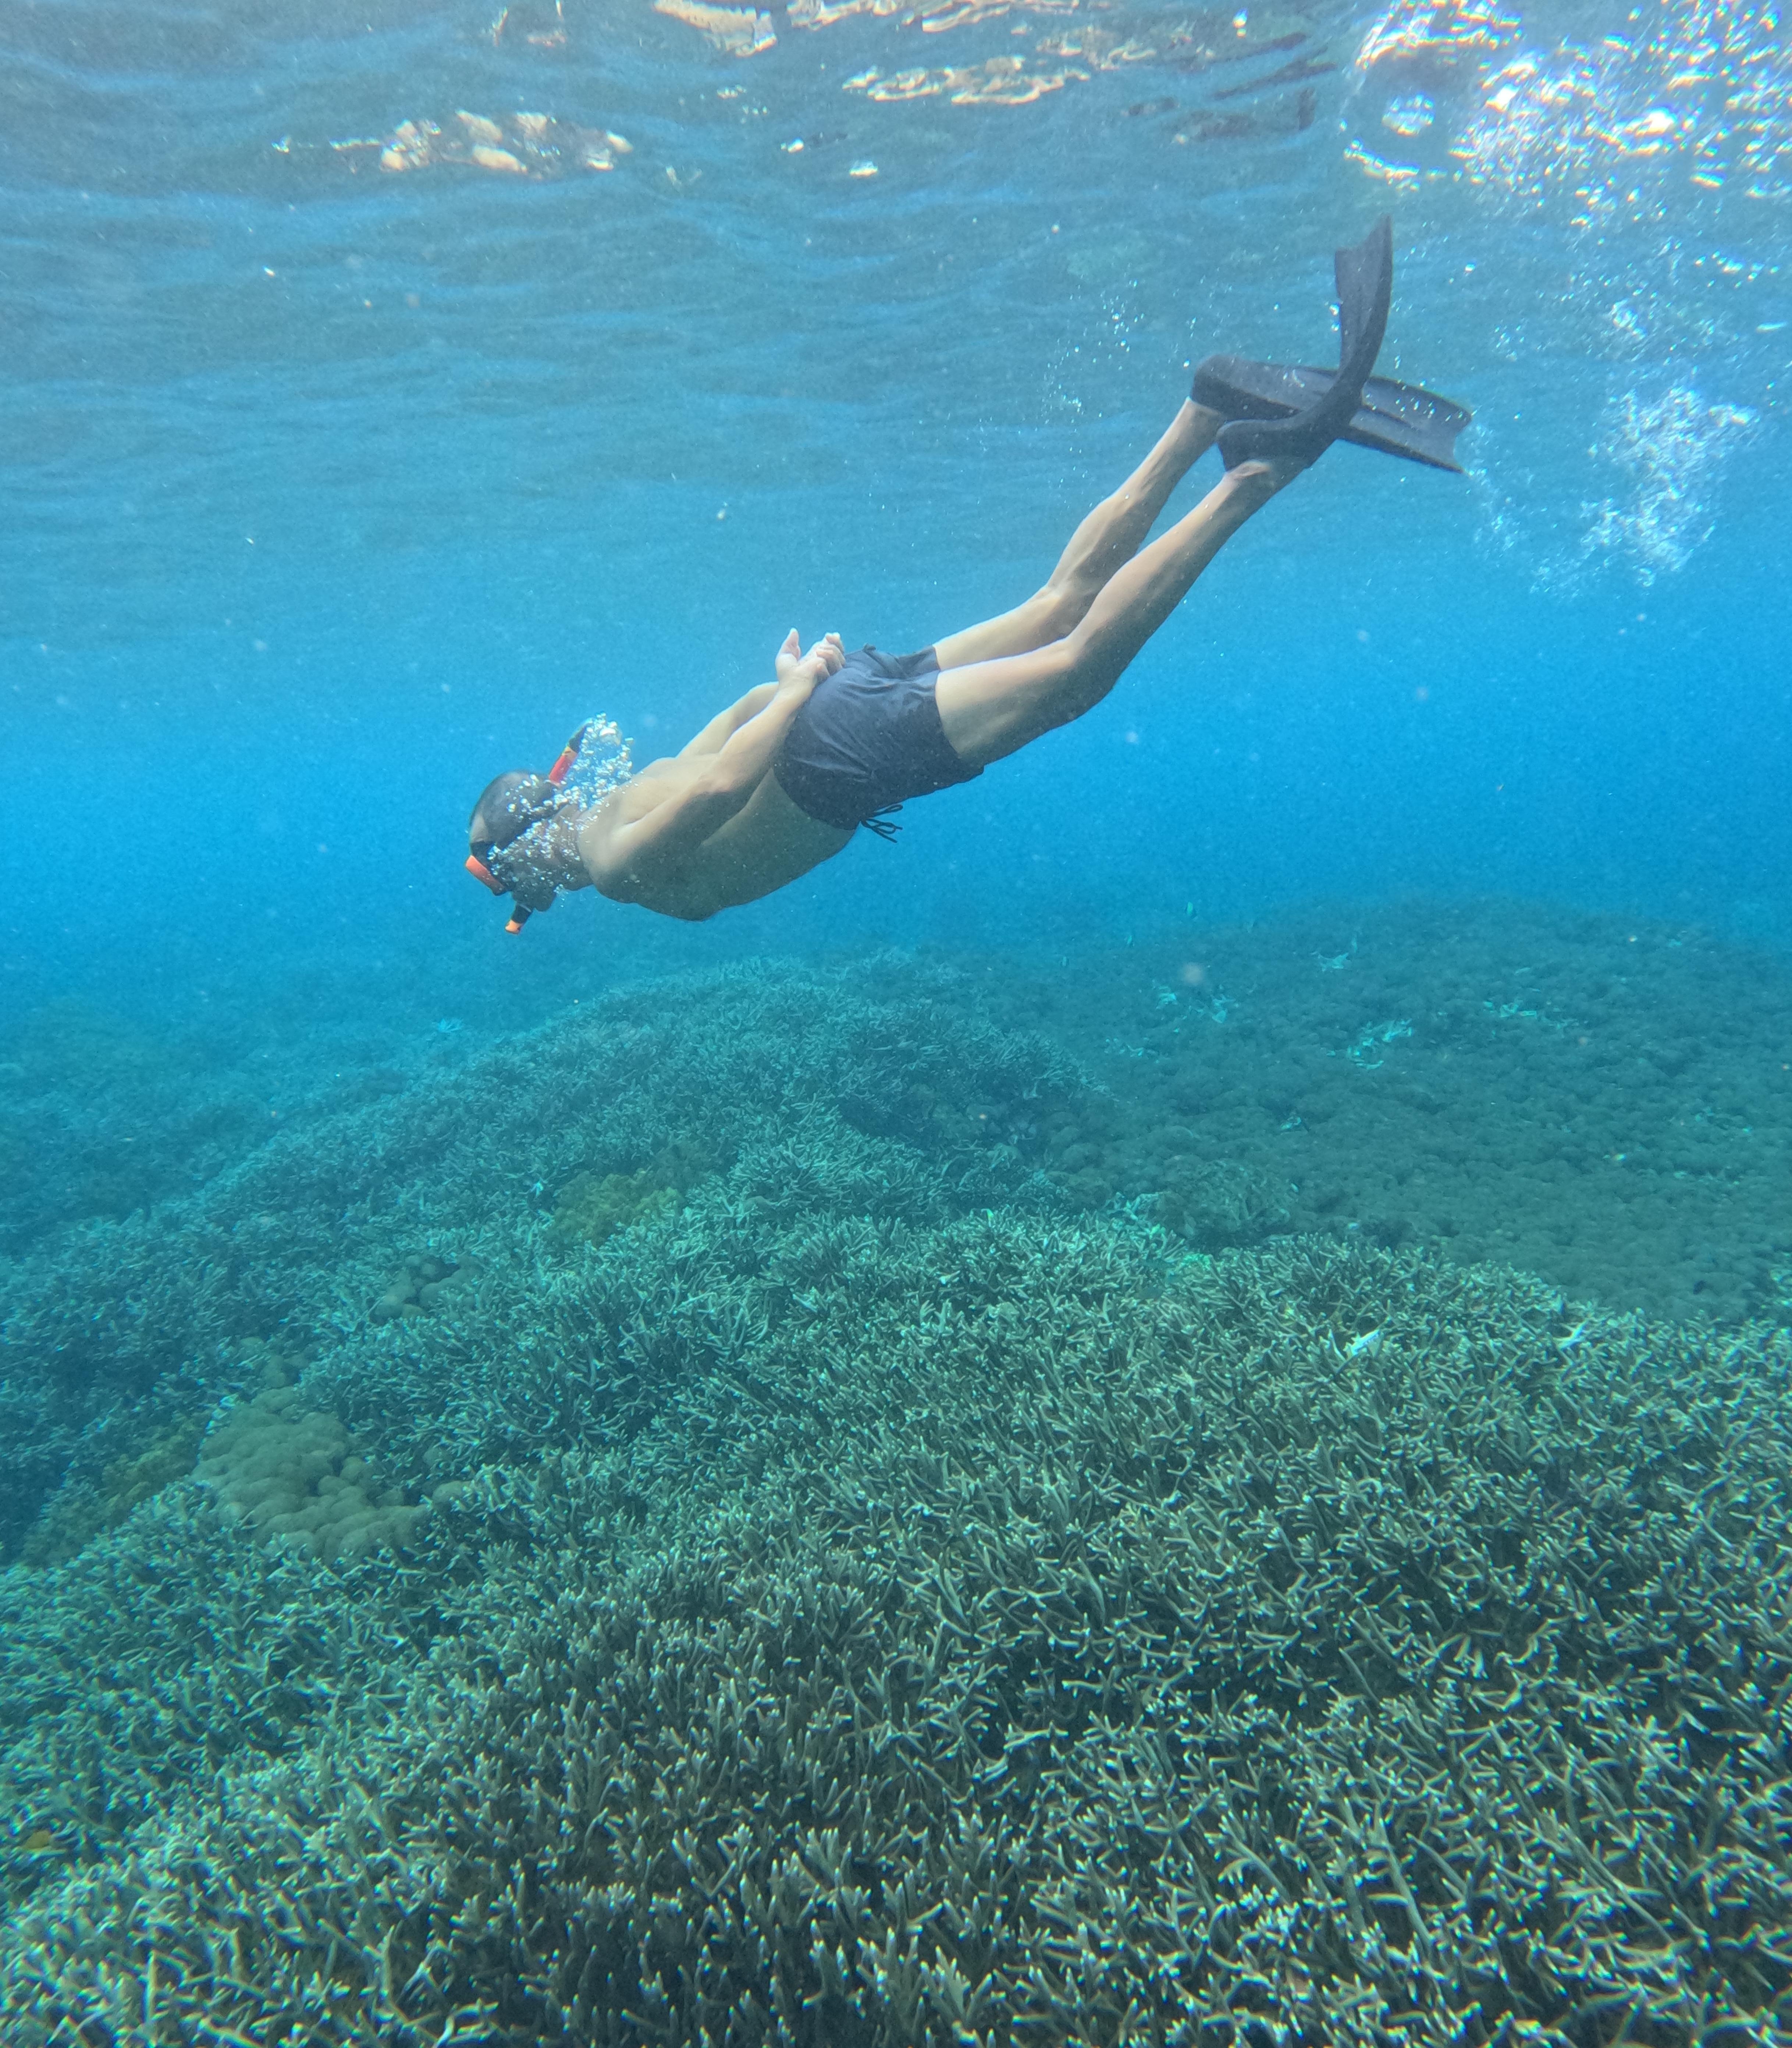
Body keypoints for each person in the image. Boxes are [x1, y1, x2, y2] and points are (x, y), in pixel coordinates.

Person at [466, 218, 1469, 931]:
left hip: (842, 757)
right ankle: (1203, 412)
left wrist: (795, 698)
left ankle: (1259, 472)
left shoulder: (610, 857)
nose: (528, 902)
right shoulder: (621, 793)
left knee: (1077, 672)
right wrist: (799, 682)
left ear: (525, 861)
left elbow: (727, 785)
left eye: (508, 886)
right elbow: (725, 734)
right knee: (1055, 604)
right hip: (841, 713)